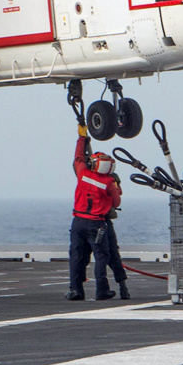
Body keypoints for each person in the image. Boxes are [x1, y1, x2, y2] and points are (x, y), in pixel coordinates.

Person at [67, 124, 121, 301]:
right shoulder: (108, 183)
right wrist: (117, 187)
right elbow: (116, 202)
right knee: (101, 256)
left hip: (78, 222)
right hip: (97, 224)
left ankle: (75, 290)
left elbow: (78, 156)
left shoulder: (82, 174)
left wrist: (81, 137)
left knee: (77, 255)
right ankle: (102, 291)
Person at [102, 172, 131, 301]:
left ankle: (77, 288)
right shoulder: (111, 177)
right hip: (100, 219)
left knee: (110, 254)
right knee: (112, 254)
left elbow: (118, 193)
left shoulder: (110, 178)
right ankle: (122, 287)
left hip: (98, 219)